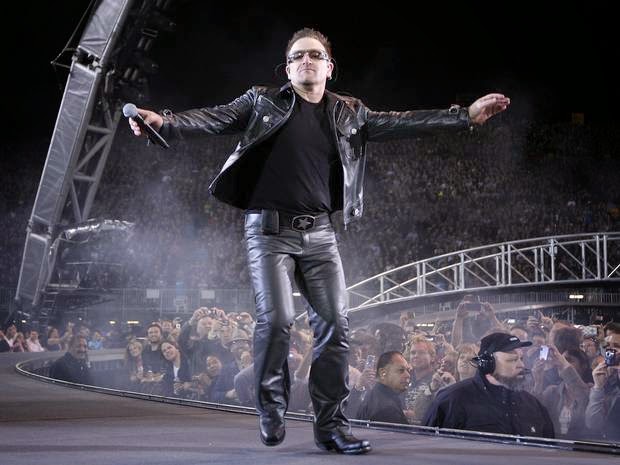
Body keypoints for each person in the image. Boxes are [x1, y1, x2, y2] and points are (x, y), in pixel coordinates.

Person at [128, 27, 509, 454]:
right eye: (296, 56)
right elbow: (214, 118)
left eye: (313, 55)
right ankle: (271, 405)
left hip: (320, 235)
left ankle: (331, 427)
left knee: (334, 326)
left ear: (329, 67)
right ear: (287, 69)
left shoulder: (350, 112)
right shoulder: (262, 101)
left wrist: (465, 116)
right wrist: (165, 121)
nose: (305, 60)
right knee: (276, 320)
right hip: (268, 231)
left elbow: (403, 122)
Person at [423, 332, 555, 438]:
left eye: (521, 359)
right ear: (488, 364)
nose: (521, 365)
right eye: (512, 360)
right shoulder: (451, 401)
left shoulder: (533, 405)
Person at [356, 351, 410, 425]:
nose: (408, 375)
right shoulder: (387, 410)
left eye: (408, 370)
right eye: (401, 370)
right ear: (382, 373)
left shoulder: (374, 395)